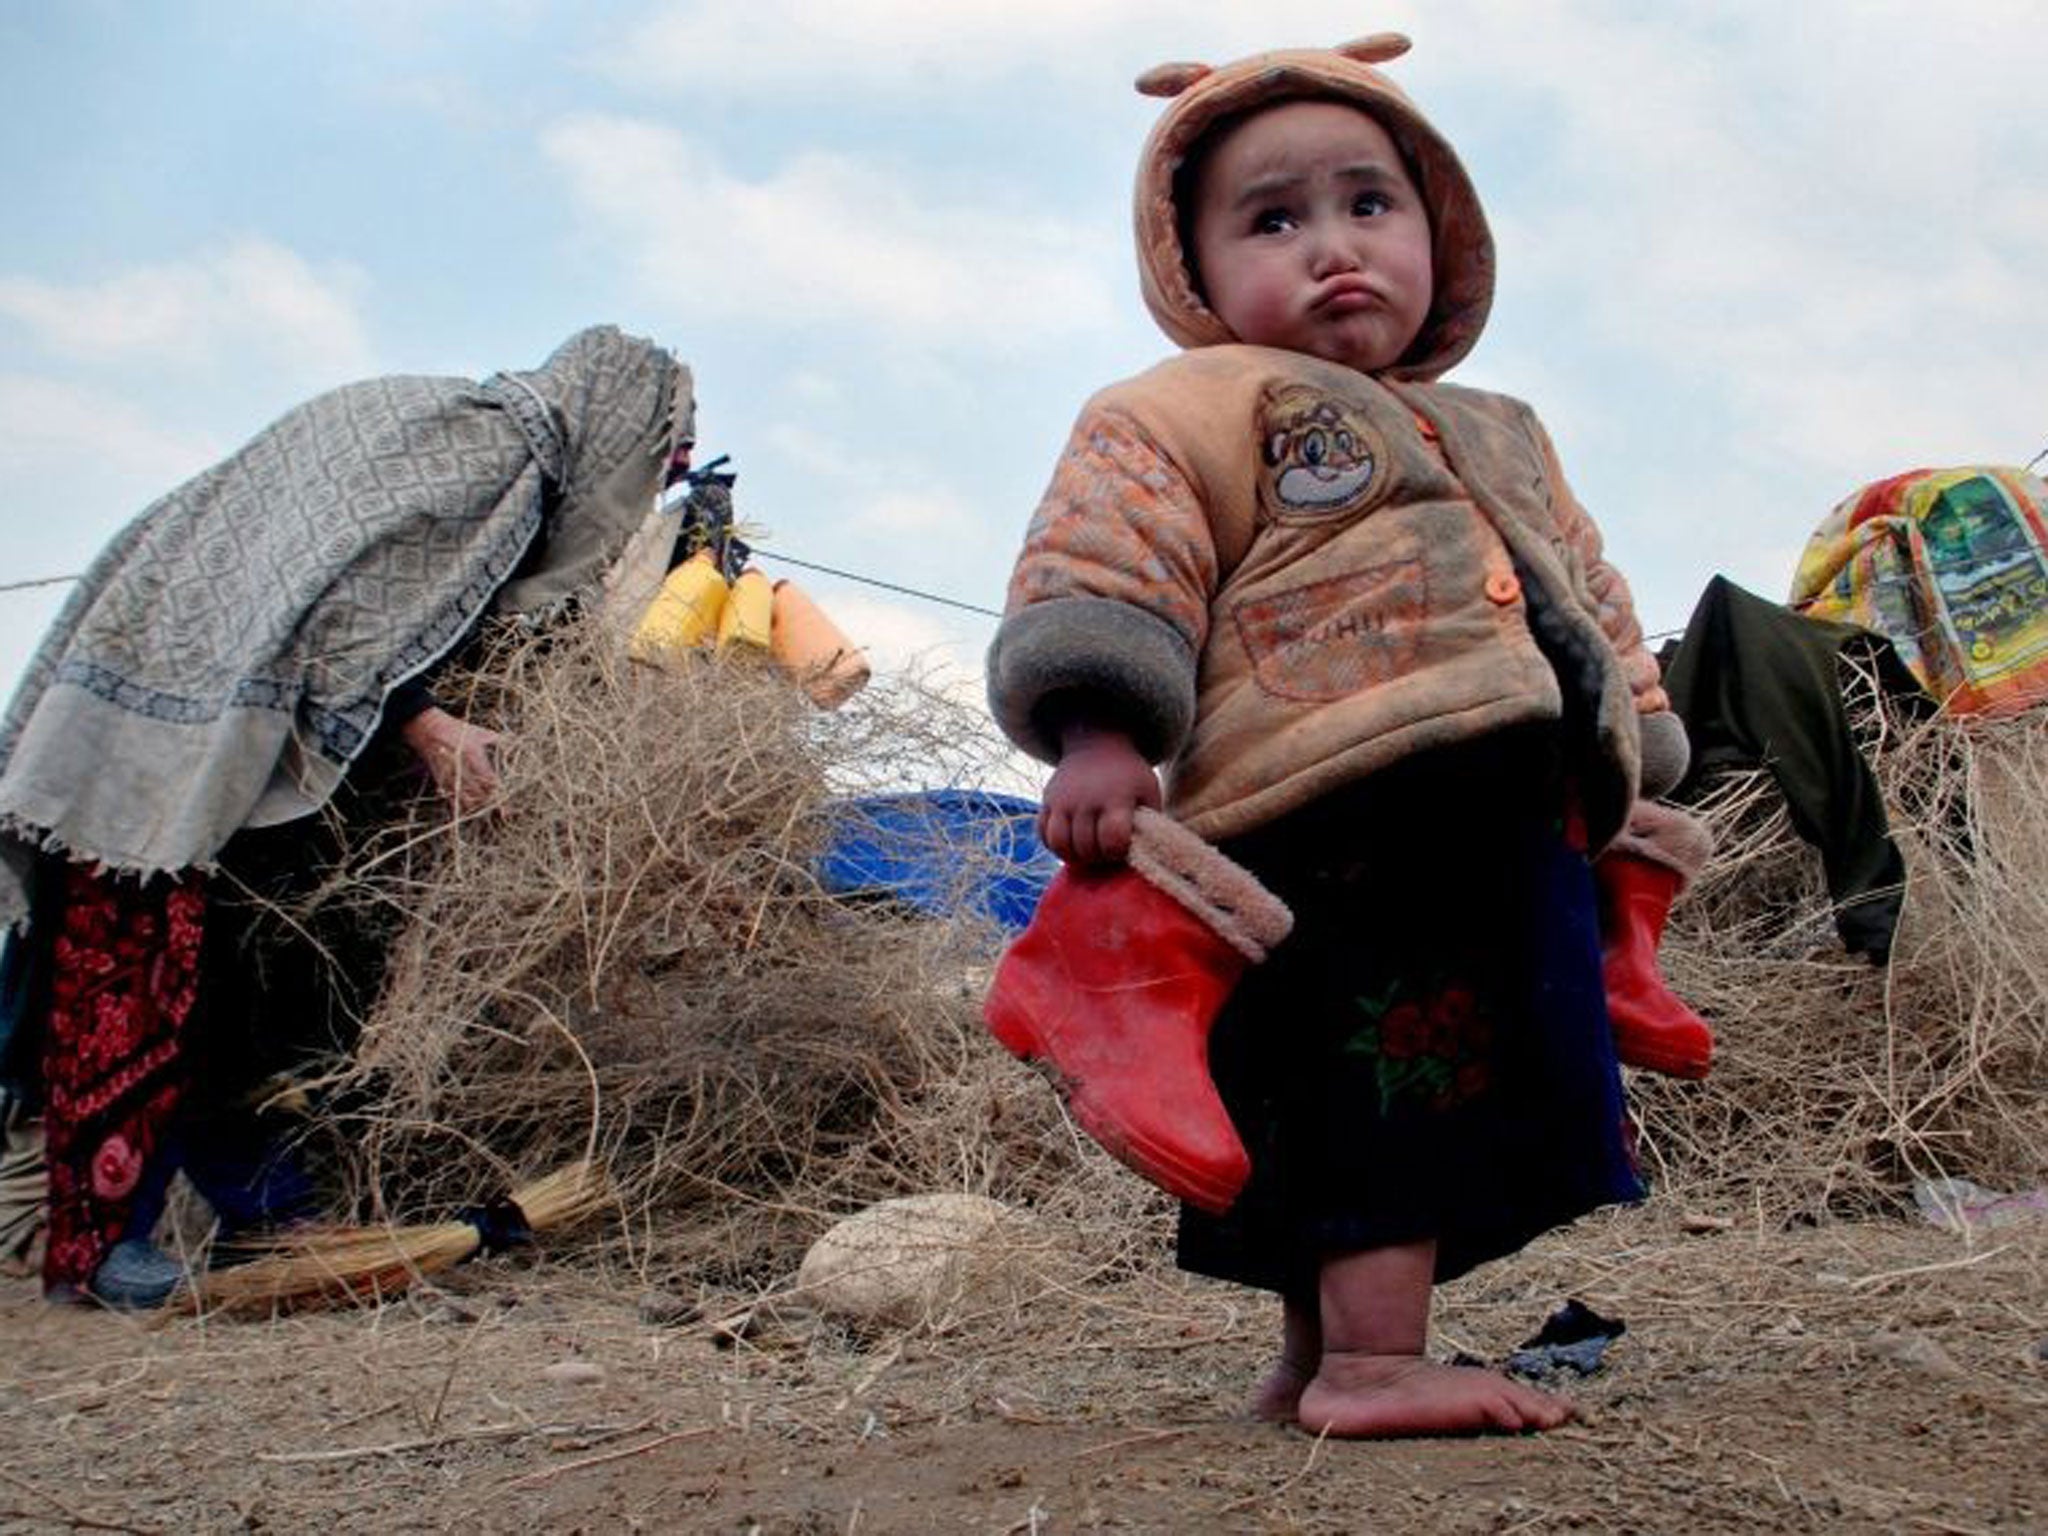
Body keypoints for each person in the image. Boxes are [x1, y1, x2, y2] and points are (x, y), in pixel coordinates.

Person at [982, 35, 1691, 1437]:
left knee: (1392, 1068)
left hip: (1502, 812)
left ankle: (1317, 1361)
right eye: (1274, 219)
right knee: (1393, 1063)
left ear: (1443, 230)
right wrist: (1103, 732)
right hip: (1343, 812)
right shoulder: (1184, 409)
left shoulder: (1504, 431)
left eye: (1370, 204)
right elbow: (1111, 562)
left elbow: (1584, 584)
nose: (1333, 246)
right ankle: (1375, 1366)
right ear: (1191, 268)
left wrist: (1639, 731)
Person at [0, 324, 695, 1306]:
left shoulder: (471, 442)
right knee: (145, 982)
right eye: (663, 446)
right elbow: (342, 615)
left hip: (227, 724)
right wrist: (428, 730)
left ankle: (266, 1218)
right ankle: (106, 1246)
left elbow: (375, 606)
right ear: (616, 417)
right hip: (177, 728)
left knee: (243, 988)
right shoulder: (490, 457)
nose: (660, 473)